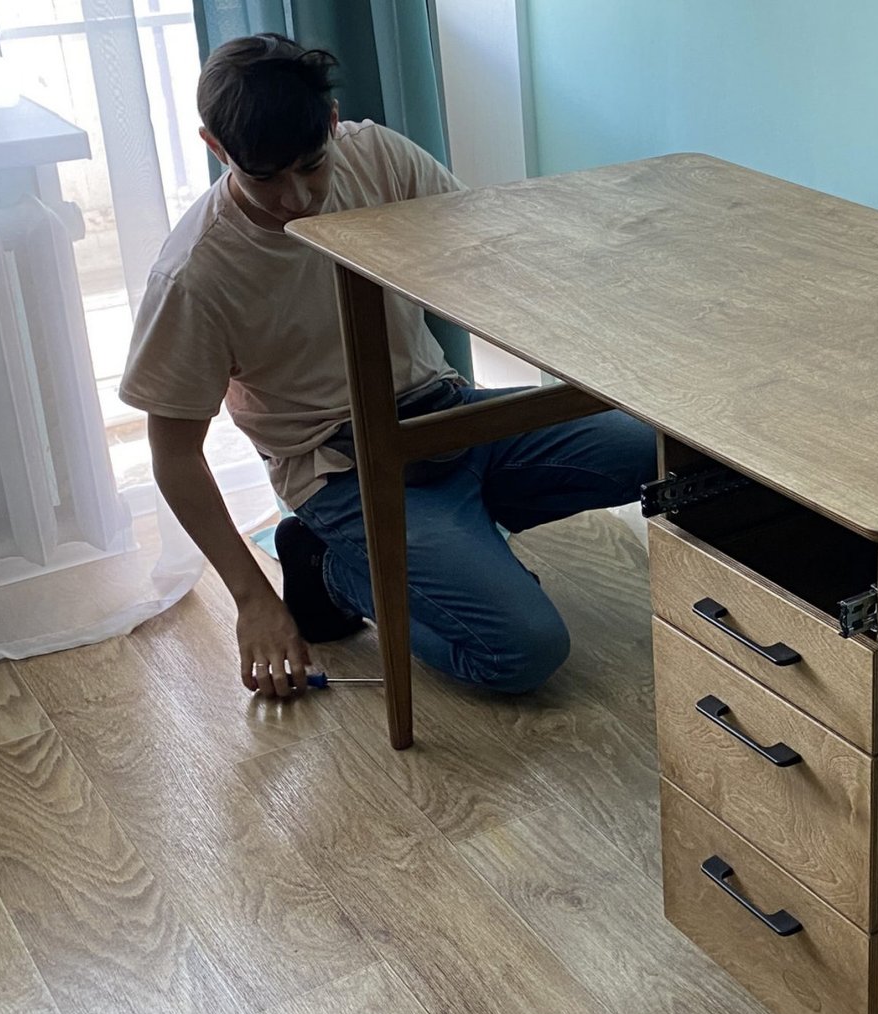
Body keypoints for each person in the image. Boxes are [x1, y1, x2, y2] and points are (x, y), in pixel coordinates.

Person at [120, 33, 654, 699]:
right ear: (216, 148)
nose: (296, 197)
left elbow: (493, 253)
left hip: (450, 416)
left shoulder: (375, 156)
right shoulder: (194, 276)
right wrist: (255, 600)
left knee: (668, 448)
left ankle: (459, 550)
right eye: (265, 177)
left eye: (311, 166)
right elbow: (174, 457)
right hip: (343, 469)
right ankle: (329, 572)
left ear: (332, 122)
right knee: (524, 650)